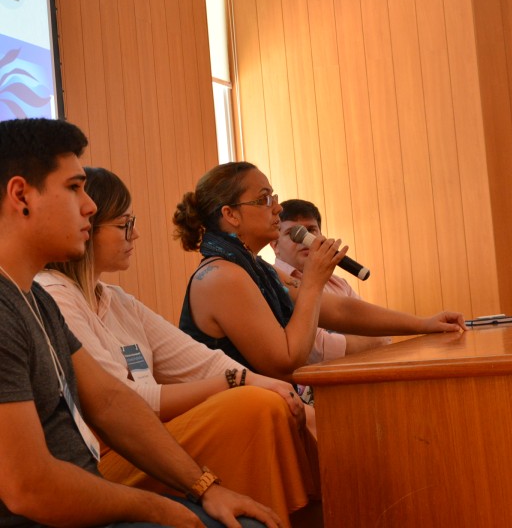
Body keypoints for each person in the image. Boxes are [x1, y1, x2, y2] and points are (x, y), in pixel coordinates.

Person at [0, 118, 279, 528]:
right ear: (21, 195)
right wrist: (161, 508)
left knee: (244, 517)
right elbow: (30, 488)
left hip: (88, 502)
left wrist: (205, 488)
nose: (90, 206)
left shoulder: (35, 299)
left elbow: (111, 403)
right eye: (74, 188)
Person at [36, 167, 316, 527]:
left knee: (270, 401)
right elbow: (124, 404)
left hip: (145, 434)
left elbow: (201, 362)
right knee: (255, 405)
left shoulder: (114, 298)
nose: (135, 234)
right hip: (111, 454)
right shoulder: (53, 294)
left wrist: (255, 382)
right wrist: (240, 381)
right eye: (124, 224)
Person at [173, 161, 466, 383]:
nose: (276, 209)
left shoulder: (253, 267)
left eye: (274, 198)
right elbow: (285, 361)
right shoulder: (221, 276)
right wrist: (313, 282)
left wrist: (423, 324)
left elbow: (341, 312)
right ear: (230, 214)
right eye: (264, 200)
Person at [272, 198, 390, 364]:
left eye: (311, 230)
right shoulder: (273, 282)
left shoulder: (338, 283)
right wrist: (374, 341)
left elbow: (377, 330)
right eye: (293, 233)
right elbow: (317, 351)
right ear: (275, 245)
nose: (305, 240)